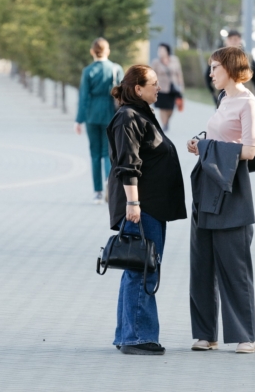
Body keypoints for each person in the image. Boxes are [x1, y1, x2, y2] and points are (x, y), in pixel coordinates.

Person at [107, 65, 187, 356]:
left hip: (150, 206)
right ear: (137, 88)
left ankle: (128, 334)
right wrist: (133, 203)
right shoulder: (128, 117)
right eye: (153, 84)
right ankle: (138, 336)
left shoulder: (140, 113)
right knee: (142, 270)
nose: (159, 88)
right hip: (142, 207)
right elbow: (128, 164)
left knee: (137, 269)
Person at [187, 46, 255, 354]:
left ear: (230, 68)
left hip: (232, 190)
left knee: (234, 266)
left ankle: (245, 336)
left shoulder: (248, 103)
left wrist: (208, 148)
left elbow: (250, 150)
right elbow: (220, 139)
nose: (211, 73)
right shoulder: (223, 99)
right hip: (207, 187)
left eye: (215, 67)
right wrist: (201, 144)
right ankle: (206, 334)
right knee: (201, 263)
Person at [75, 38, 124, 204]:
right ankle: (109, 183)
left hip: (91, 114)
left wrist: (78, 120)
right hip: (110, 114)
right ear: (107, 51)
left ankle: (97, 192)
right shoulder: (115, 69)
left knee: (94, 154)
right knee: (108, 153)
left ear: (92, 52)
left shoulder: (88, 71)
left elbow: (83, 96)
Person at [205, 30, 255, 105]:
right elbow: (208, 75)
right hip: (223, 95)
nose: (233, 42)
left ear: (240, 40)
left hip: (242, 96)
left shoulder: (247, 58)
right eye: (230, 39)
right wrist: (213, 92)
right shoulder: (218, 57)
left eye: (235, 40)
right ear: (226, 41)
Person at [150, 42, 184, 131]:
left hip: (173, 88)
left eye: (162, 50)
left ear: (167, 51)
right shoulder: (155, 62)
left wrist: (181, 85)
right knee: (162, 108)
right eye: (159, 50)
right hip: (161, 88)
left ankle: (167, 120)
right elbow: (151, 75)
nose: (160, 52)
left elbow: (179, 73)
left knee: (171, 108)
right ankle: (164, 124)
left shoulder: (174, 60)